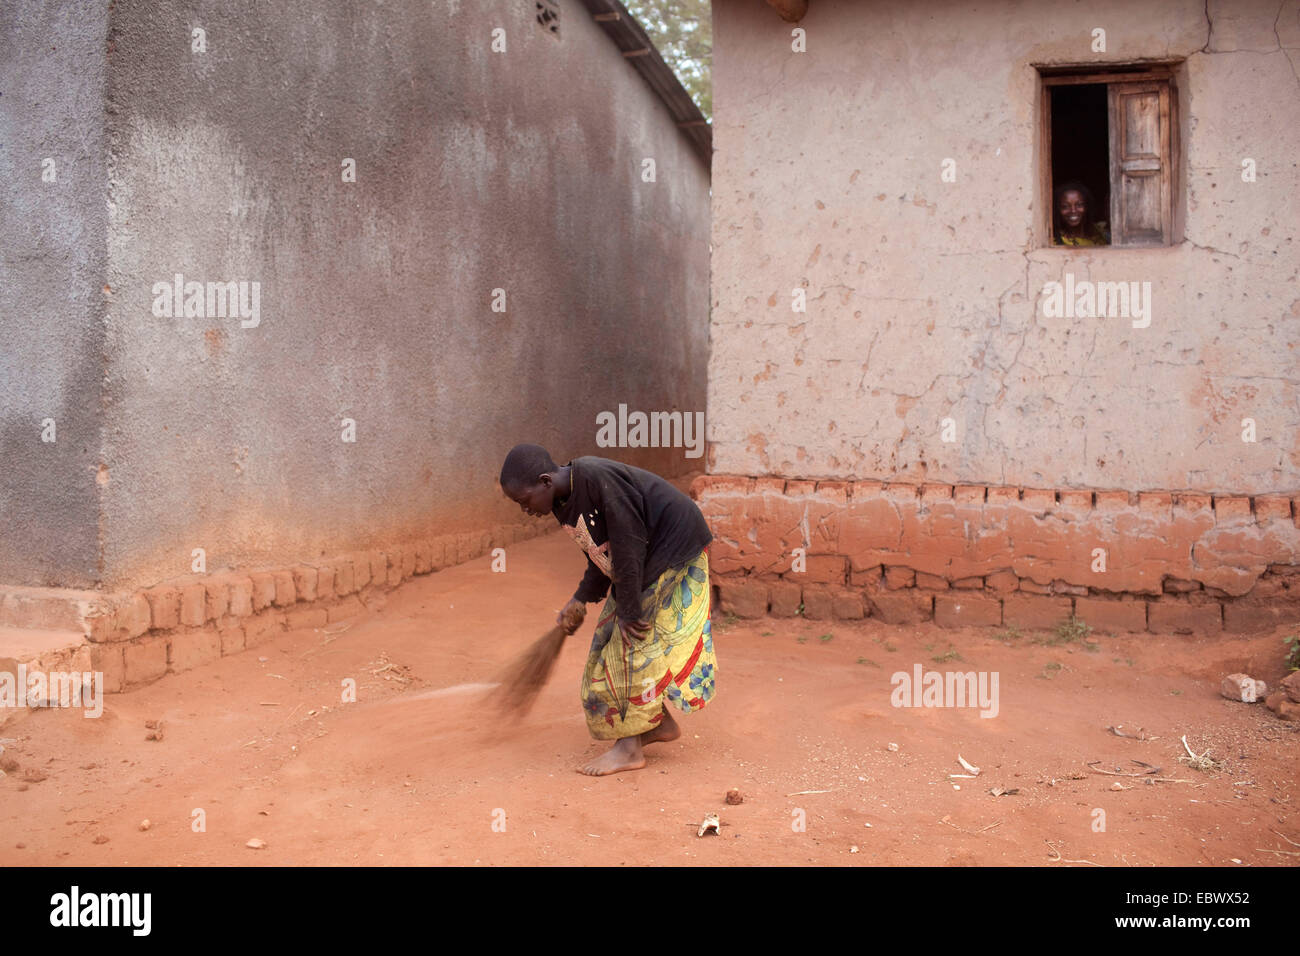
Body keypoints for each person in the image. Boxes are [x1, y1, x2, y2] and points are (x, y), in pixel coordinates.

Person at [499, 444, 716, 776]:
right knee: (605, 642)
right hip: (641, 562)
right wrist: (580, 598)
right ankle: (657, 724)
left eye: (524, 501)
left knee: (626, 648)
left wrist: (628, 611)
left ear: (545, 481)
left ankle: (629, 750)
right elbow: (601, 554)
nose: (525, 510)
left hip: (671, 550)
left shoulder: (597, 479)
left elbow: (628, 547)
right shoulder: (562, 503)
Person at [1053, 180, 1110, 246]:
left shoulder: (1100, 231)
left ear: (1086, 206)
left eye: (1079, 205)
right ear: (1058, 209)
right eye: (1065, 206)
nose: (1073, 210)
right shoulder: (1055, 241)